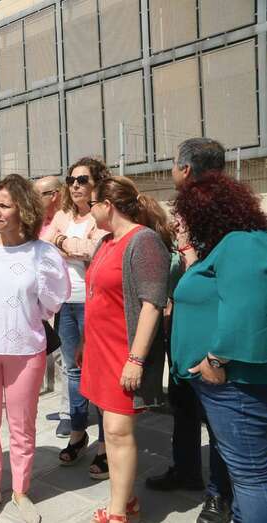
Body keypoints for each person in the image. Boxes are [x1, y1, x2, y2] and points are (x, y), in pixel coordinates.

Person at [0, 174, 71, 523]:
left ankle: (20, 490)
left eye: (4, 205)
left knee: (22, 424)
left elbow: (52, 302)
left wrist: (18, 317)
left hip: (26, 351)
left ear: (23, 209)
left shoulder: (44, 254)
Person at [171, 171, 267, 523]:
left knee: (252, 477)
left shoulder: (240, 243)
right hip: (231, 385)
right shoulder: (235, 244)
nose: (181, 222)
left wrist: (214, 358)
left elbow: (248, 308)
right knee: (249, 476)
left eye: (184, 214)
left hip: (235, 384)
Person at [145, 137, 233, 523]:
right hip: (181, 322)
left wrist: (185, 252)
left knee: (216, 416)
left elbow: (212, 273)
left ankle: (220, 495)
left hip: (208, 328)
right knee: (182, 403)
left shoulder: (219, 213)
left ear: (184, 169)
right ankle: (185, 470)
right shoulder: (195, 209)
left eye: (173, 165)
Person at [80, 176, 172, 522]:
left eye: (92, 204)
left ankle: (118, 513)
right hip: (100, 351)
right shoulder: (107, 241)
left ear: (108, 205)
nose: (89, 211)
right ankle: (128, 500)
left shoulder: (143, 241)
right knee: (111, 430)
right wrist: (86, 345)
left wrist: (136, 359)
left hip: (124, 352)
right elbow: (98, 297)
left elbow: (152, 304)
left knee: (118, 432)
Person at [40, 158, 108, 475]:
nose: (76, 185)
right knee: (74, 371)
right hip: (66, 303)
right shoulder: (65, 215)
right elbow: (43, 244)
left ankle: (107, 445)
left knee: (101, 373)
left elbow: (97, 250)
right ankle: (79, 435)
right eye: (71, 179)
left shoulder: (103, 213)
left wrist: (62, 242)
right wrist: (71, 245)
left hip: (95, 303)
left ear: (96, 182)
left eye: (82, 179)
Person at [34, 175, 71, 437]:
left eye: (39, 195)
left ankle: (71, 413)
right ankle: (73, 406)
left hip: (69, 299)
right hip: (43, 304)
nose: (34, 200)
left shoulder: (68, 221)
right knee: (61, 358)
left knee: (67, 358)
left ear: (55, 195)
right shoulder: (37, 223)